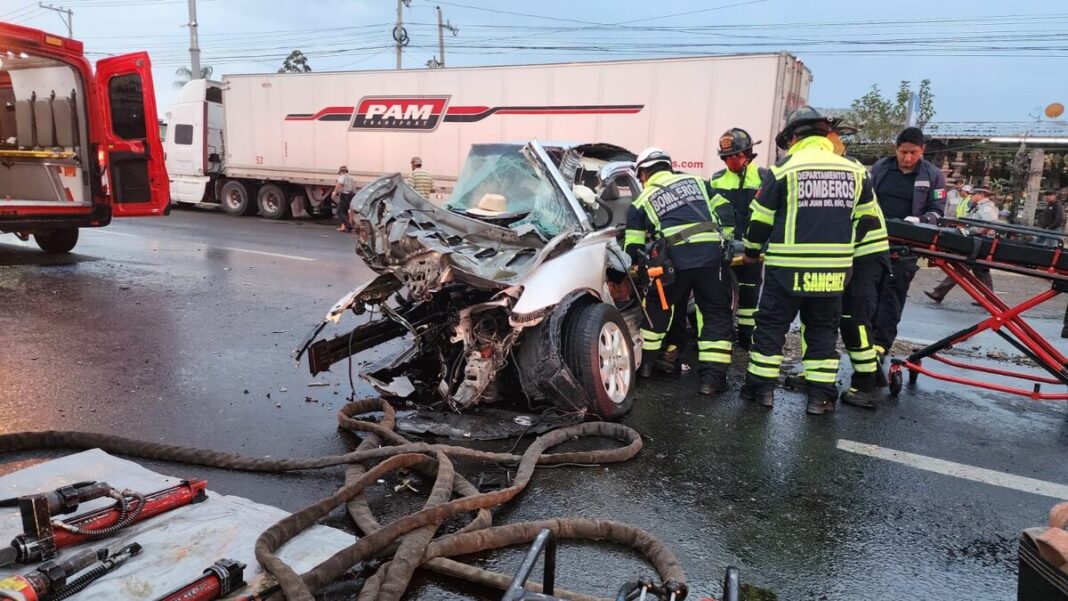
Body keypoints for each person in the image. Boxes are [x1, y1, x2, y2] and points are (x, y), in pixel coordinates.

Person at [739, 107, 881, 415]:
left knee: (771, 329)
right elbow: (867, 221)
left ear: (793, 138)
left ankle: (761, 392)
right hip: (833, 272)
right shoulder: (855, 171)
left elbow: (760, 220)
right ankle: (820, 398)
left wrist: (750, 252)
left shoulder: (783, 169)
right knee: (822, 333)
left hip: (787, 270)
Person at [624, 147, 736, 396]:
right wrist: (725, 240)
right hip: (710, 259)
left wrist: (635, 267)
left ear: (643, 173)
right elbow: (726, 210)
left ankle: (646, 368)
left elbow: (633, 247)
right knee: (715, 314)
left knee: (658, 307)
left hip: (673, 264)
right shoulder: (699, 182)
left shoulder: (641, 200)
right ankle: (711, 381)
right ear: (668, 166)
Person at [870, 127, 947, 362]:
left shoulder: (933, 175)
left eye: (913, 153)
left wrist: (921, 221)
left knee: (893, 295)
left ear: (922, 150)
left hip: (906, 246)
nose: (907, 158)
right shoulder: (881, 167)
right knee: (868, 293)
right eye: (903, 152)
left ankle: (881, 345)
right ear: (896, 149)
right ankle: (864, 340)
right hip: (874, 240)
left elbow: (937, 211)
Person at [708, 128, 769, 350]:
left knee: (750, 294)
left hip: (754, 249)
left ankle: (747, 337)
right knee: (723, 293)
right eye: (728, 157)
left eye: (737, 156)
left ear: (748, 154)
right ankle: (724, 334)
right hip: (725, 249)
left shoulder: (763, 177)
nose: (732, 161)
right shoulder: (716, 180)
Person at [924, 187, 997, 303]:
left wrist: (976, 232)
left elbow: (991, 223)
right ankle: (990, 298)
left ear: (981, 195)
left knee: (961, 268)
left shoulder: (986, 207)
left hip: (978, 242)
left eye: (973, 194)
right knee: (980, 271)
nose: (971, 196)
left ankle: (939, 293)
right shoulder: (978, 206)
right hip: (978, 242)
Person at [333, 165, 356, 232]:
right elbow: (354, 188)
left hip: (344, 195)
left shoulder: (342, 177)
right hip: (351, 195)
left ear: (340, 172)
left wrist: (334, 192)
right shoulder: (351, 177)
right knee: (345, 211)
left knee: (339, 212)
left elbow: (339, 184)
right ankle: (346, 227)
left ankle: (348, 226)